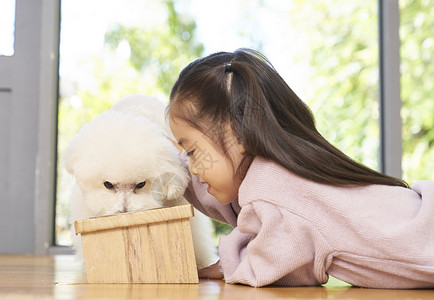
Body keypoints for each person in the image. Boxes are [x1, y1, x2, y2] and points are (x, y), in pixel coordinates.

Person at [166, 48, 434, 288]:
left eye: (191, 151)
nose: (194, 170)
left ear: (236, 133)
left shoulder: (269, 189)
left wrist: (227, 262)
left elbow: (283, 267)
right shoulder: (281, 174)